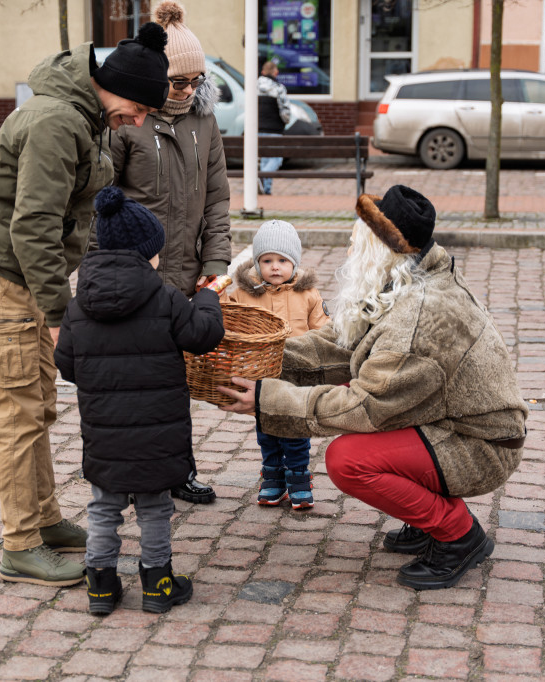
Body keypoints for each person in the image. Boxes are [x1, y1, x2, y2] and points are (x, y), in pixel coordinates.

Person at [219, 185, 528, 591]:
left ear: (384, 251)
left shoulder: (419, 316)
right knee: (362, 440)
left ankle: (458, 534)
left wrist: (266, 397)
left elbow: (365, 405)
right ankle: (427, 518)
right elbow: (338, 345)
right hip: (446, 421)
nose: (350, 250)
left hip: (481, 444)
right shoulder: (405, 279)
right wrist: (259, 354)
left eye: (357, 243)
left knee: (349, 459)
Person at [0, 24, 170, 588]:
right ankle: (20, 544)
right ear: (117, 88)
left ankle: (45, 520)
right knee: (20, 414)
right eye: (141, 107)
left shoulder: (84, 114)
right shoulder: (57, 121)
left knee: (41, 405)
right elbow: (31, 226)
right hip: (9, 277)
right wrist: (59, 316)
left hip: (30, 276)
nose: (141, 120)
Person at [54, 186, 225, 615]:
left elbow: (67, 365)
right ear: (146, 253)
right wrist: (207, 297)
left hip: (104, 433)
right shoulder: (165, 298)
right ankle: (157, 584)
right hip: (156, 433)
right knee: (154, 508)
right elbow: (203, 336)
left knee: (103, 508)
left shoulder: (77, 306)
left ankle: (100, 585)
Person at [111, 0, 232, 505]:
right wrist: (120, 269)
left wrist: (217, 264)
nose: (187, 91)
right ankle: (132, 473)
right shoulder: (129, 122)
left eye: (196, 81)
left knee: (176, 385)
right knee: (135, 384)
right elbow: (104, 202)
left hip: (187, 280)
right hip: (138, 280)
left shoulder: (204, 124)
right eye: (178, 82)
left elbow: (219, 199)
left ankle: (177, 469)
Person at [228, 220, 329, 509]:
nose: (275, 267)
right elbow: (227, 316)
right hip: (261, 376)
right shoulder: (244, 295)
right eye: (267, 260)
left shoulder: (307, 294)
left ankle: (299, 475)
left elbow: (322, 331)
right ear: (257, 263)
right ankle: (272, 474)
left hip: (296, 376)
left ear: (294, 264)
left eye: (282, 260)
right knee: (267, 428)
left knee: (295, 429)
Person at [257, 60, 291, 195]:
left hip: (258, 129)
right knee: (276, 159)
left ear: (263, 72)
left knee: (265, 158)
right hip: (274, 130)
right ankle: (262, 176)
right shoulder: (279, 88)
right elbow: (285, 113)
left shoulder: (253, 86)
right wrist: (285, 121)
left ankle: (266, 189)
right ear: (276, 73)